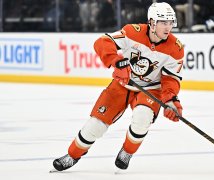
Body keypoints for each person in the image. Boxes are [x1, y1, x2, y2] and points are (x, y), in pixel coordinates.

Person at [51, 2, 184, 172]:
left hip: (151, 89)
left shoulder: (176, 48)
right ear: (152, 22)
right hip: (122, 85)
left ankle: (127, 152)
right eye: (163, 22)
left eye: (171, 22)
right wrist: (116, 61)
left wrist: (171, 101)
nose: (168, 27)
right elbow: (103, 41)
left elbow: (171, 79)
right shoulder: (132, 31)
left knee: (142, 118)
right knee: (95, 125)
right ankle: (72, 155)